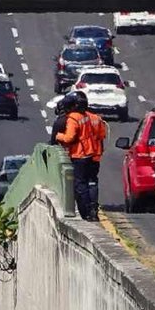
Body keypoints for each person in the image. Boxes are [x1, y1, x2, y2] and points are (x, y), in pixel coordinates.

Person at [53, 90, 107, 221]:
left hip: (80, 156)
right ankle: (93, 209)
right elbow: (102, 135)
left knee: (80, 184)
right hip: (94, 155)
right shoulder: (92, 117)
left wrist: (58, 136)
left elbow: (69, 138)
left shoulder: (73, 118)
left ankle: (87, 212)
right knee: (92, 182)